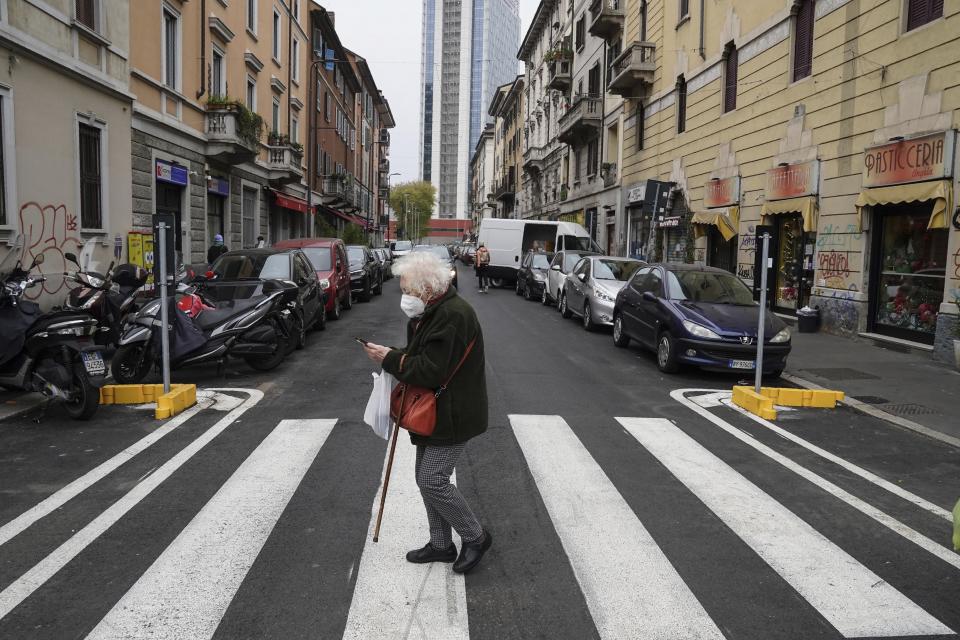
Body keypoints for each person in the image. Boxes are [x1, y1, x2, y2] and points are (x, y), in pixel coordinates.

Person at [363, 251, 492, 574]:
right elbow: (420, 354)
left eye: (408, 291)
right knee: (427, 480)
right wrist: (393, 354)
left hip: (452, 411)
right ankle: (440, 544)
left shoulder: (452, 315)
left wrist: (390, 360)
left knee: (432, 479)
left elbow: (431, 370)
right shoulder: (433, 312)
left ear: (427, 288)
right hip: (434, 409)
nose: (405, 297)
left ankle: (475, 537)